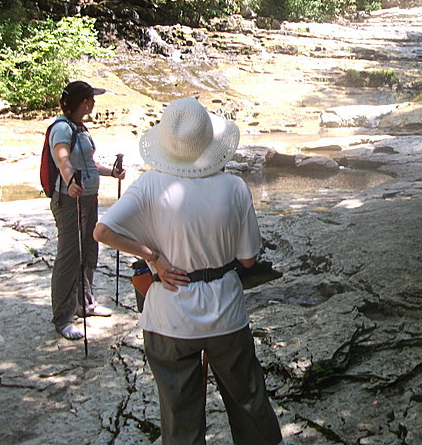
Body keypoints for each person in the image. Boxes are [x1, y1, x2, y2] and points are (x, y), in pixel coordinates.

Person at [94, 96, 284, 445]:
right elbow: (247, 260)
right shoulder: (234, 188)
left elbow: (103, 231)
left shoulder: (150, 185)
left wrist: (154, 258)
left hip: (170, 317)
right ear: (209, 143)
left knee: (180, 417)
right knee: (249, 402)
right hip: (225, 314)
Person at [50, 80, 125, 340]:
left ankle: (85, 303)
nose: (94, 102)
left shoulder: (80, 128)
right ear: (85, 102)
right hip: (70, 200)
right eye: (92, 98)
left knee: (89, 251)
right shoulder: (61, 129)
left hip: (88, 199)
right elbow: (62, 159)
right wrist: (70, 182)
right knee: (70, 256)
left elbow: (89, 163)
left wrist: (111, 172)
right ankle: (63, 317)